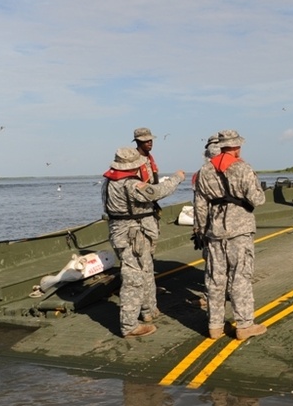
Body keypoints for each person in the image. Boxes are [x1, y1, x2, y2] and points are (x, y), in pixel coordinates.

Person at [102, 147, 185, 337]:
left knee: (146, 270)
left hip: (125, 233)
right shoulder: (130, 184)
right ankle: (129, 325)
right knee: (134, 278)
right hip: (133, 236)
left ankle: (148, 310)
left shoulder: (109, 182)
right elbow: (156, 192)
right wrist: (176, 178)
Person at [193, 129, 267, 341]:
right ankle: (244, 325)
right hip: (239, 230)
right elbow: (257, 199)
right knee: (240, 276)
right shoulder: (242, 167)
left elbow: (199, 205)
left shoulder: (205, 171)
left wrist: (201, 229)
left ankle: (214, 326)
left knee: (215, 277)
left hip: (214, 231)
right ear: (236, 147)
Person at [134, 127, 161, 215]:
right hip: (139, 205)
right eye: (146, 140)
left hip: (151, 201)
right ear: (138, 142)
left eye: (151, 140)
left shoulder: (150, 159)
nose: (150, 142)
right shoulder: (132, 160)